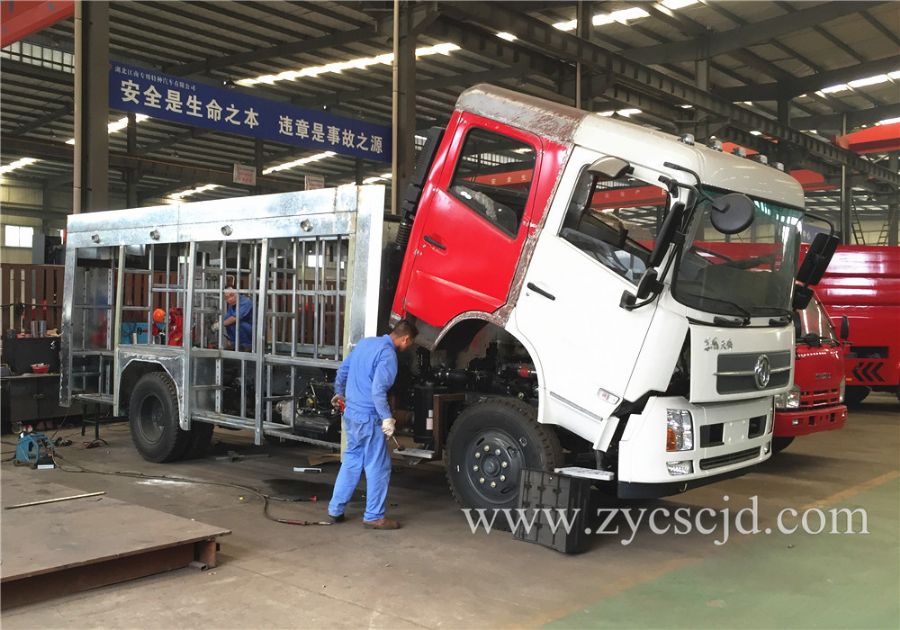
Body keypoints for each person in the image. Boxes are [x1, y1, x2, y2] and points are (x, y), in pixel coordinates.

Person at [327, 319, 418, 530]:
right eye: (409, 344)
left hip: (351, 414)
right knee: (378, 466)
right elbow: (378, 391)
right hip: (369, 417)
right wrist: (387, 417)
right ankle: (374, 516)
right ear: (406, 338)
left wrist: (339, 392)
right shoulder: (388, 356)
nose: (408, 348)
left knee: (351, 460)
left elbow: (343, 371)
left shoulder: (366, 344)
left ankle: (335, 509)